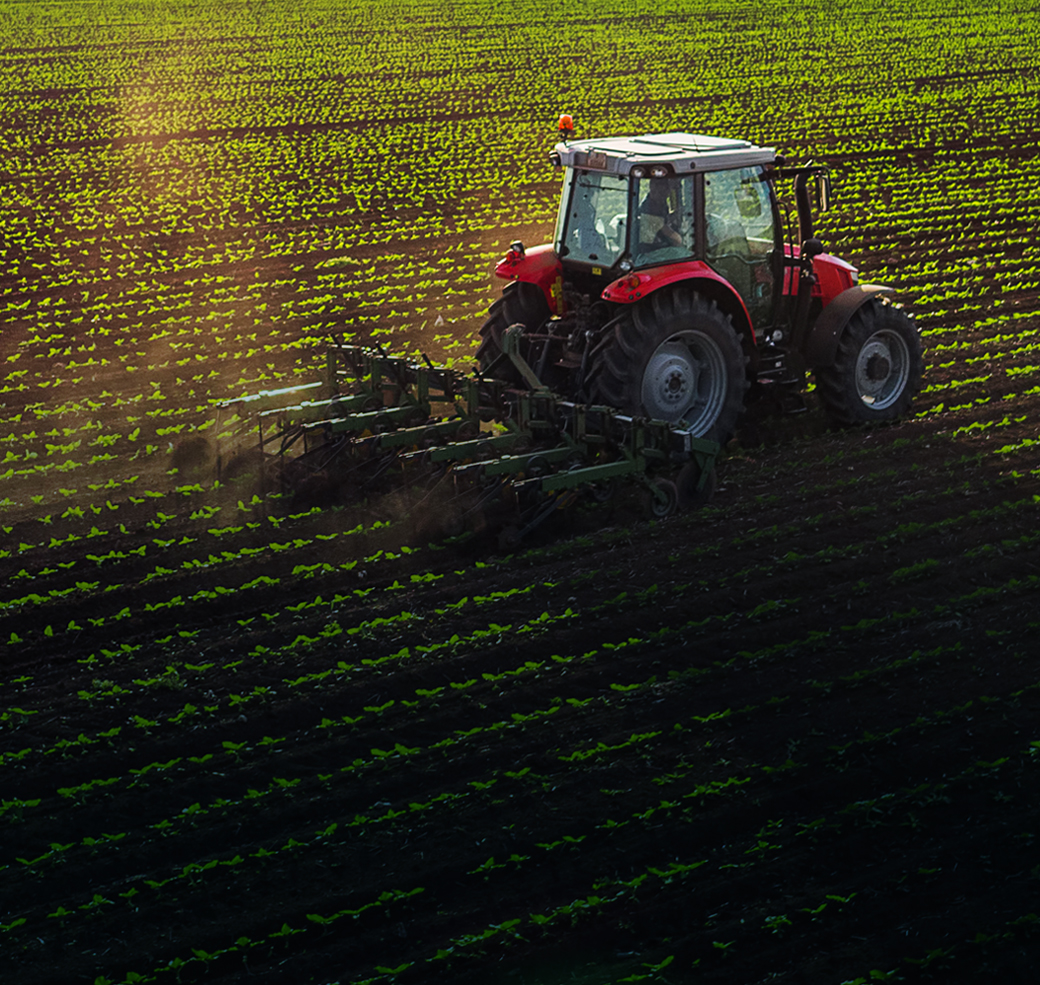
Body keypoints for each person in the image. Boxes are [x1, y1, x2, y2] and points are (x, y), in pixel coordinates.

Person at [637, 179, 682, 248]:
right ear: (652, 187)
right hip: (650, 248)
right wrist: (679, 240)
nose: (665, 193)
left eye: (667, 189)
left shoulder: (661, 203)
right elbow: (665, 230)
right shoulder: (649, 207)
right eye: (661, 189)